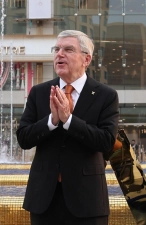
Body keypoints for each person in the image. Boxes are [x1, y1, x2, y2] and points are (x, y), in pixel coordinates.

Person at [16, 30, 119, 225]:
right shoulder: (39, 92)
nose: (59, 54)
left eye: (68, 49)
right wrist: (52, 122)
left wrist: (69, 120)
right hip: (44, 200)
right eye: (57, 49)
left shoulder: (106, 95)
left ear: (86, 59)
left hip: (87, 200)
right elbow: (23, 138)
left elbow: (106, 142)